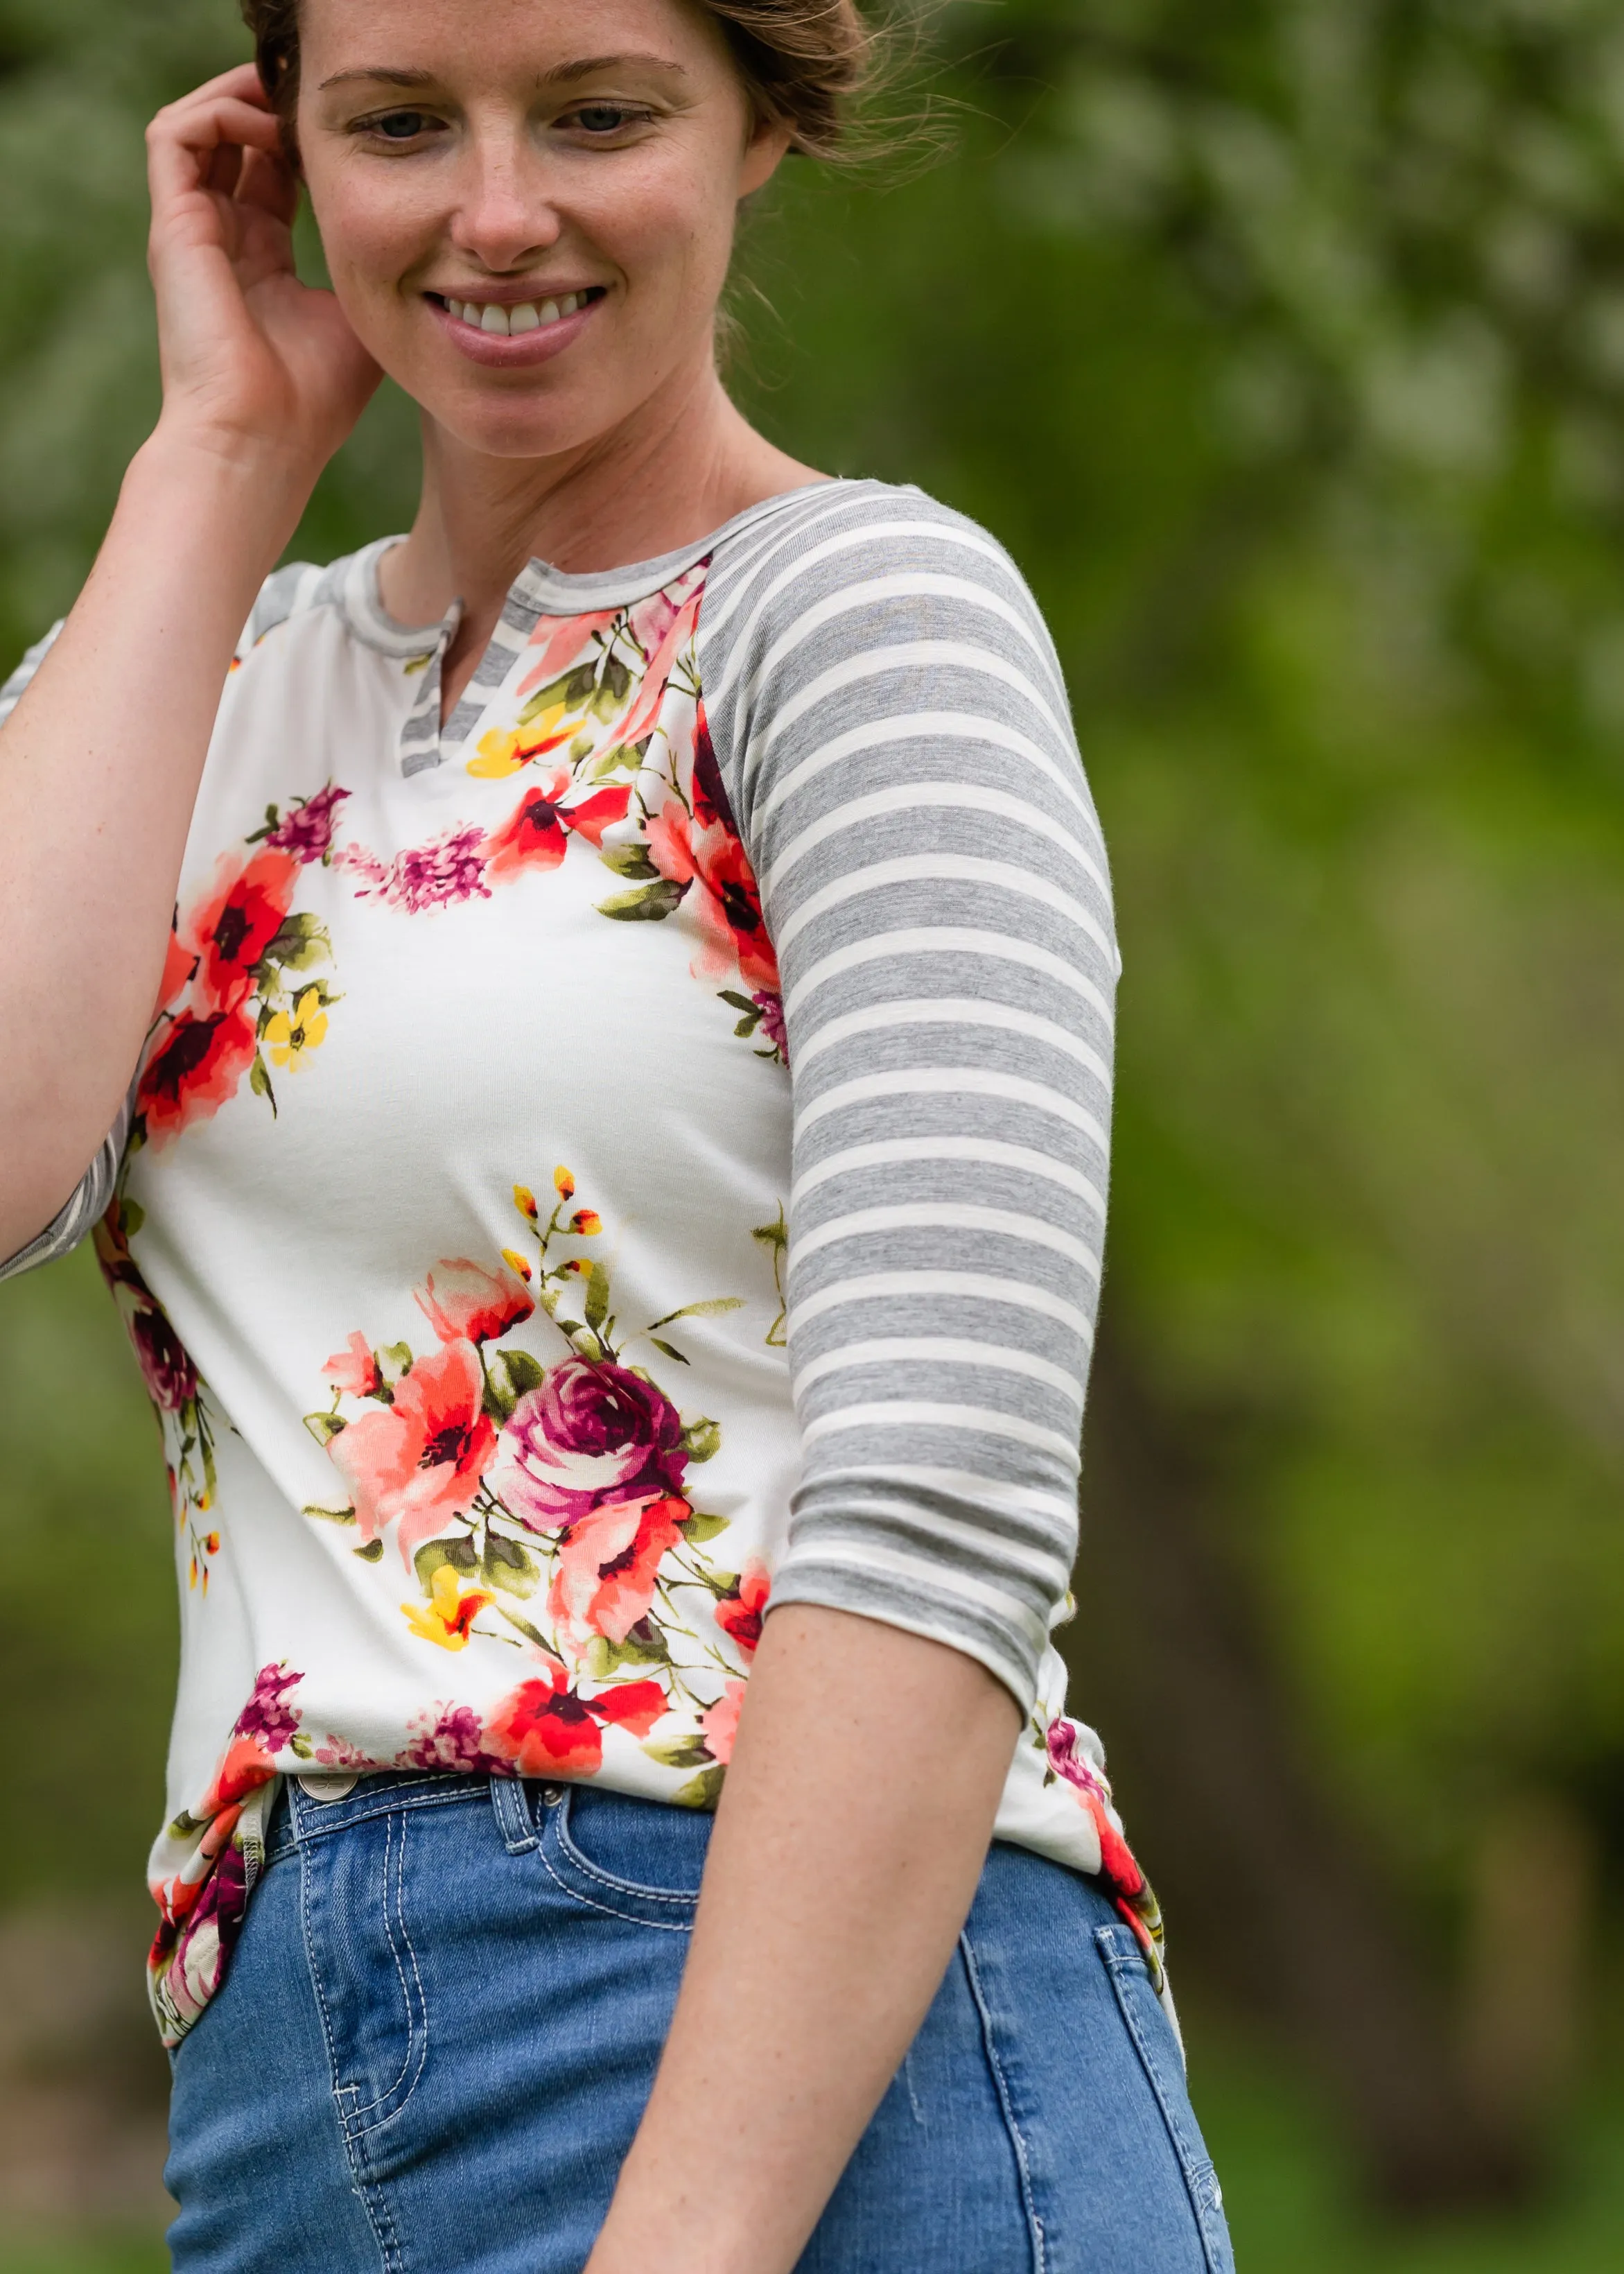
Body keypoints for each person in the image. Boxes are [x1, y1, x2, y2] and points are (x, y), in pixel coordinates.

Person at [0, 1, 1235, 2268]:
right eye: (396, 124)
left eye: (595, 114)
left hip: (816, 2065)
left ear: (764, 121)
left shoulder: (862, 617)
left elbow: (941, 1489)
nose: (493, 212)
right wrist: (214, 447)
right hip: (292, 2089)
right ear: (283, 149)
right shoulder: (194, 678)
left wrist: (694, 2234)